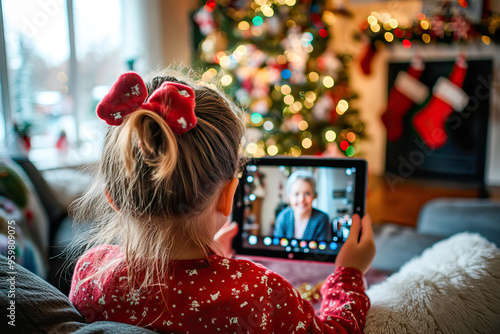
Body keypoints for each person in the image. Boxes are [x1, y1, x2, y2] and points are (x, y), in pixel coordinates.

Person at [68, 69, 376, 333]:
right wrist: (350, 272)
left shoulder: (89, 273)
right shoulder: (260, 291)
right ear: (229, 196)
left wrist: (215, 258)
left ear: (113, 199)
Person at [273, 170, 331, 240]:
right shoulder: (282, 217)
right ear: (289, 197)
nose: (301, 199)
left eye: (307, 193)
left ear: (314, 195)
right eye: (296, 194)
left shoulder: (322, 219)